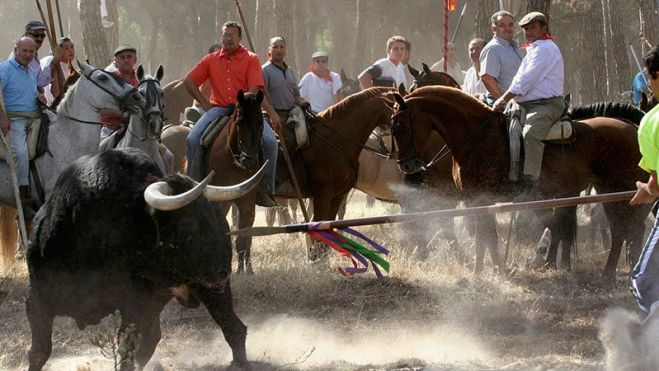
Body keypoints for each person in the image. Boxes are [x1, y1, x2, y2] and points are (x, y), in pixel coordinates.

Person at [184, 21, 280, 207]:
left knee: (270, 142)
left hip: (245, 110)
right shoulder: (210, 59)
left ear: (239, 38)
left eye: (232, 35)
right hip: (218, 108)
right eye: (225, 35)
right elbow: (189, 80)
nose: (228, 39)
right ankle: (192, 186)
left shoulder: (251, 58)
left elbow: (254, 89)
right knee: (193, 138)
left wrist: (245, 102)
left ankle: (266, 189)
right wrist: (204, 103)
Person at [492, 11, 564, 187]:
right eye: (525, 29)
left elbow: (526, 80)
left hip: (546, 105)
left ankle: (531, 184)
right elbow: (519, 80)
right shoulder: (534, 49)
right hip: (525, 104)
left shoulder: (545, 49)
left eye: (533, 27)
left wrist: (504, 99)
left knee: (530, 133)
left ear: (544, 28)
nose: (529, 32)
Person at [630, 44, 659, 314]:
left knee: (644, 281)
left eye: (649, 78)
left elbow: (656, 184)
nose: (648, 85)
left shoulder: (652, 122)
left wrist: (646, 190)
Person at [0, 37, 44, 208]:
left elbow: (30, 95)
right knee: (20, 150)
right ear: (16, 49)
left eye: (31, 52)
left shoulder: (30, 73)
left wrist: (38, 97)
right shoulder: (4, 69)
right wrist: (2, 118)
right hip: (13, 119)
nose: (27, 55)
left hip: (35, 117)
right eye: (24, 51)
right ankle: (23, 191)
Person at [480, 11, 525, 104]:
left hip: (517, 102)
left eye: (510, 25)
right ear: (494, 28)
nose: (507, 28)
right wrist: (503, 102)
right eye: (502, 25)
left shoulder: (516, 47)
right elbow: (487, 78)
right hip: (500, 104)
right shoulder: (493, 48)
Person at [100, 44, 139, 139]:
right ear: (116, 61)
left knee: (168, 154)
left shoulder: (140, 82)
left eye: (129, 57)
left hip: (136, 130)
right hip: (110, 130)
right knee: (98, 151)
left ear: (135, 60)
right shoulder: (108, 81)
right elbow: (101, 110)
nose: (126, 60)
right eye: (122, 57)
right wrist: (122, 115)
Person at [40, 37, 76, 107]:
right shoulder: (54, 64)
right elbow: (55, 93)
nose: (71, 50)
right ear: (59, 51)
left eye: (72, 47)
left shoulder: (69, 67)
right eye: (66, 48)